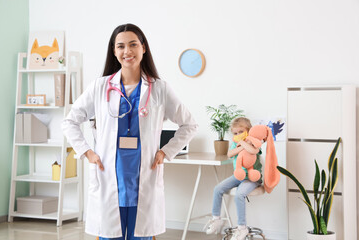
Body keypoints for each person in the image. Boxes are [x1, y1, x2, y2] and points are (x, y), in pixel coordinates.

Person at [62, 23, 198, 240]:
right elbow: (70, 121)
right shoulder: (100, 86)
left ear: (143, 48)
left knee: (142, 235)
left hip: (143, 178)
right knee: (109, 235)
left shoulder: (159, 89)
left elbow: (189, 124)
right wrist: (87, 152)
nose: (127, 51)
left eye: (133, 44)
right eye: (121, 46)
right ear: (114, 51)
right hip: (108, 174)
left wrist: (166, 152)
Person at [204, 117, 262, 240]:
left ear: (248, 130)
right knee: (217, 189)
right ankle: (216, 219)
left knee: (239, 194)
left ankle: (242, 227)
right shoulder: (236, 143)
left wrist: (244, 143)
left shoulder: (253, 141)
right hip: (238, 176)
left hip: (251, 178)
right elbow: (230, 154)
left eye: (241, 132)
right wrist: (240, 145)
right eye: (235, 133)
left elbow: (253, 150)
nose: (238, 135)